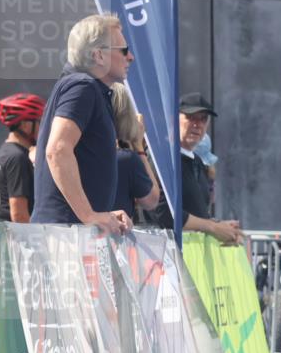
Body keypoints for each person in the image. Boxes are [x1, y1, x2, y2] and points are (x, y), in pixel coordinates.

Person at [31, 14, 134, 235]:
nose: (131, 57)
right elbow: (58, 150)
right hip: (67, 235)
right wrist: (89, 215)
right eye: (124, 50)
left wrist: (101, 214)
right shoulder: (82, 86)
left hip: (69, 231)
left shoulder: (87, 88)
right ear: (98, 55)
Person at [152, 93, 242, 244]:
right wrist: (211, 227)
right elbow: (163, 212)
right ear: (174, 118)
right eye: (191, 117)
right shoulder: (161, 158)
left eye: (203, 119)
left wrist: (219, 227)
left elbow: (196, 211)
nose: (197, 124)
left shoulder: (198, 162)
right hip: (165, 256)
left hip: (191, 259)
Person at [0, 93, 45, 222]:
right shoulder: (18, 158)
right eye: (39, 121)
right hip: (15, 238)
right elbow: (19, 215)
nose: (43, 128)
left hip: (1, 234)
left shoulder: (0, 154)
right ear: (25, 125)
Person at [110, 83, 160, 220]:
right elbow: (152, 200)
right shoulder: (126, 159)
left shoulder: (78, 153)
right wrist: (138, 145)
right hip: (112, 237)